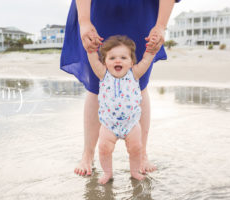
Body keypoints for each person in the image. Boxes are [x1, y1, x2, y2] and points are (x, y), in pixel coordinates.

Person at [60, 0, 182, 176]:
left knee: (140, 83)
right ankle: (88, 154)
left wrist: (161, 25)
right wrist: (85, 22)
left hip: (142, 8)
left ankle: (141, 154)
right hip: (98, 8)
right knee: (95, 85)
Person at [87, 35, 156, 184]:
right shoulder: (103, 74)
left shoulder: (134, 74)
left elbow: (146, 61)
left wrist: (151, 51)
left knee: (136, 148)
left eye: (123, 58)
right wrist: (90, 50)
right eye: (112, 58)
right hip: (108, 124)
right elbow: (93, 59)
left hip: (131, 124)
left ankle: (134, 171)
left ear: (131, 62)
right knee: (104, 148)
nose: (118, 61)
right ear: (105, 62)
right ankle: (107, 173)